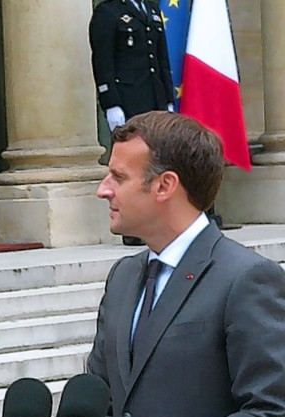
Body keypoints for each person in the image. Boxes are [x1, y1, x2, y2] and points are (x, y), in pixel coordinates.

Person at [80, 111, 285, 417]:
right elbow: (97, 395)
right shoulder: (124, 277)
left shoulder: (245, 278)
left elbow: (274, 414)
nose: (103, 189)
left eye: (118, 176)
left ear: (165, 185)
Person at [89, 0, 175, 246]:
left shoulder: (150, 9)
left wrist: (168, 99)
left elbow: (160, 62)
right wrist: (110, 102)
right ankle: (132, 227)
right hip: (128, 100)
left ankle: (158, 222)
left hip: (154, 98)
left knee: (156, 163)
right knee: (130, 168)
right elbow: (103, 60)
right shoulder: (108, 11)